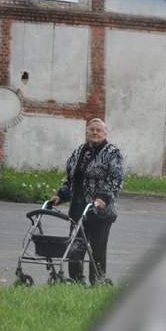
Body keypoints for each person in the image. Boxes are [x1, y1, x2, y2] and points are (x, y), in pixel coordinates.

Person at [50, 118, 125, 285]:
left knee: (97, 251)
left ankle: (97, 283)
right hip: (78, 211)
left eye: (99, 130)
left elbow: (117, 179)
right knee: (75, 249)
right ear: (87, 132)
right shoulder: (78, 152)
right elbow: (71, 179)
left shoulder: (112, 153)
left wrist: (104, 197)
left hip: (99, 212)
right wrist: (60, 195)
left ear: (105, 133)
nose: (95, 132)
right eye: (92, 129)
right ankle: (76, 283)